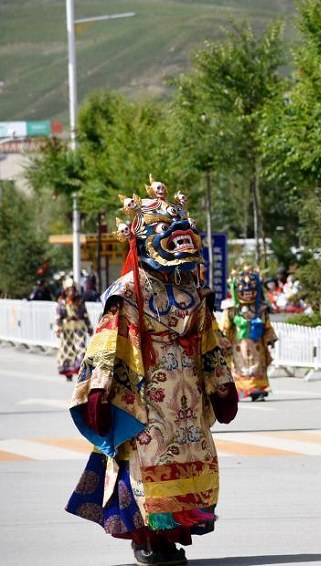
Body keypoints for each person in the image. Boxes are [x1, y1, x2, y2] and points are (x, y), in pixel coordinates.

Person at [65, 176, 238, 566]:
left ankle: (172, 537)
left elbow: (210, 342)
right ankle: (147, 538)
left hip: (189, 399)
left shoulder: (193, 289)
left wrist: (222, 385)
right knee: (149, 464)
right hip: (146, 395)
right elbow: (109, 345)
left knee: (190, 459)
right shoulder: (126, 292)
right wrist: (99, 390)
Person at [222, 267, 278, 401]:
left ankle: (258, 390)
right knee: (240, 367)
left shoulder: (261, 309)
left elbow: (267, 325)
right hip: (239, 346)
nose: (248, 293)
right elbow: (225, 327)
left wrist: (270, 338)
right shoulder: (231, 309)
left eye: (251, 291)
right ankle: (241, 389)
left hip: (257, 345)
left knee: (257, 366)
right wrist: (222, 340)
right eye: (244, 291)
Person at [54, 277, 92, 382]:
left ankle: (82, 372)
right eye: (69, 289)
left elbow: (85, 314)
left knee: (81, 350)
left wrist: (89, 327)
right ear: (65, 291)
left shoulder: (80, 301)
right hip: (67, 330)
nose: (71, 291)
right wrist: (57, 327)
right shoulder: (62, 302)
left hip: (79, 329)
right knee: (68, 351)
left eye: (72, 289)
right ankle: (68, 373)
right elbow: (58, 316)